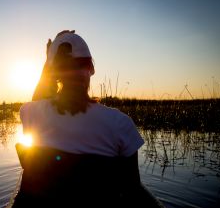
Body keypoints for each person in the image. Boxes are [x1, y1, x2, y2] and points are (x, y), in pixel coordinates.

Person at [20, 30, 144, 178]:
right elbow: (133, 188)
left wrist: (49, 59)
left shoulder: (30, 112)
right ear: (91, 68)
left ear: (54, 73)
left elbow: (38, 101)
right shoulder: (121, 124)